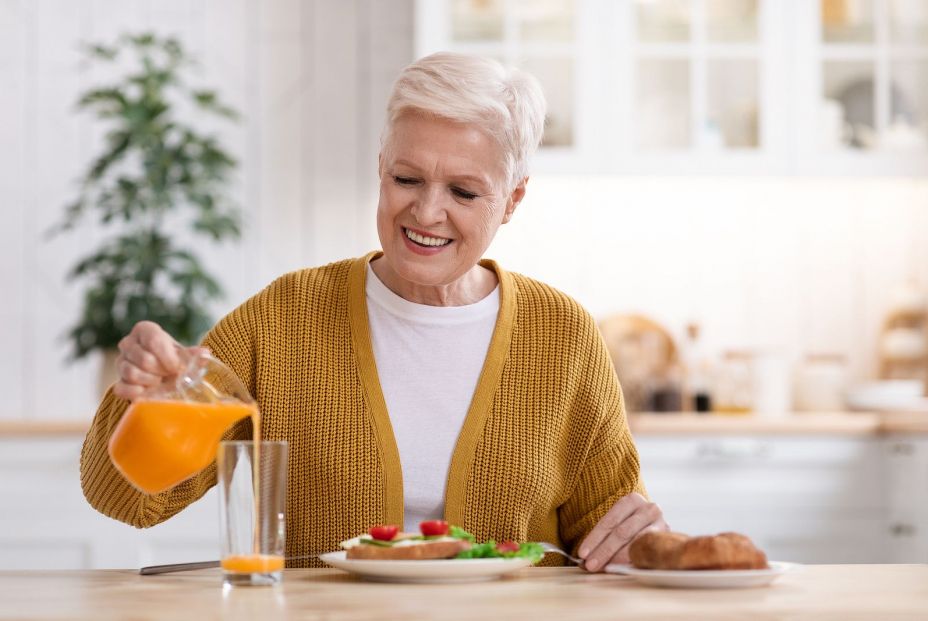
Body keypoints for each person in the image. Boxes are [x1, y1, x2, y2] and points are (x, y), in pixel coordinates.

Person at [80, 52, 667, 572]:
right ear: (381, 167)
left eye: (464, 192)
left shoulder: (562, 333)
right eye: (406, 178)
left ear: (513, 198)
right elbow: (128, 500)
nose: (427, 212)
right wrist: (149, 402)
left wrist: (640, 540)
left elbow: (610, 533)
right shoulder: (282, 319)